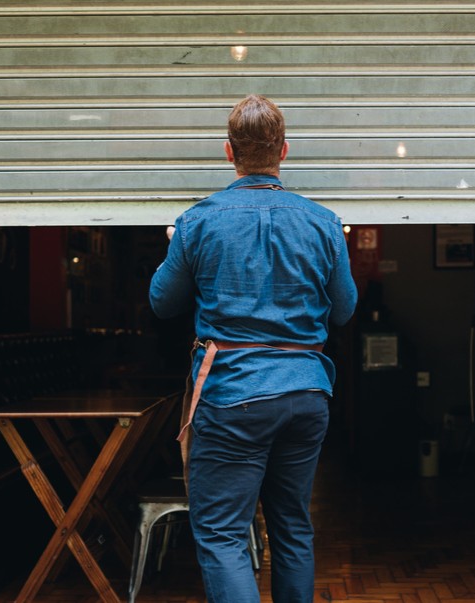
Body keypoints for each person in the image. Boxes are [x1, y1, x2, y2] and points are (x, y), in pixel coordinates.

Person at [149, 94, 357, 603]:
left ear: (228, 152)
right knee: (293, 528)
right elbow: (345, 310)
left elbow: (162, 302)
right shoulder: (324, 223)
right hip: (306, 393)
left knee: (222, 536)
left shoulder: (198, 222)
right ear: (284, 151)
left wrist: (176, 245)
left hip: (232, 395)